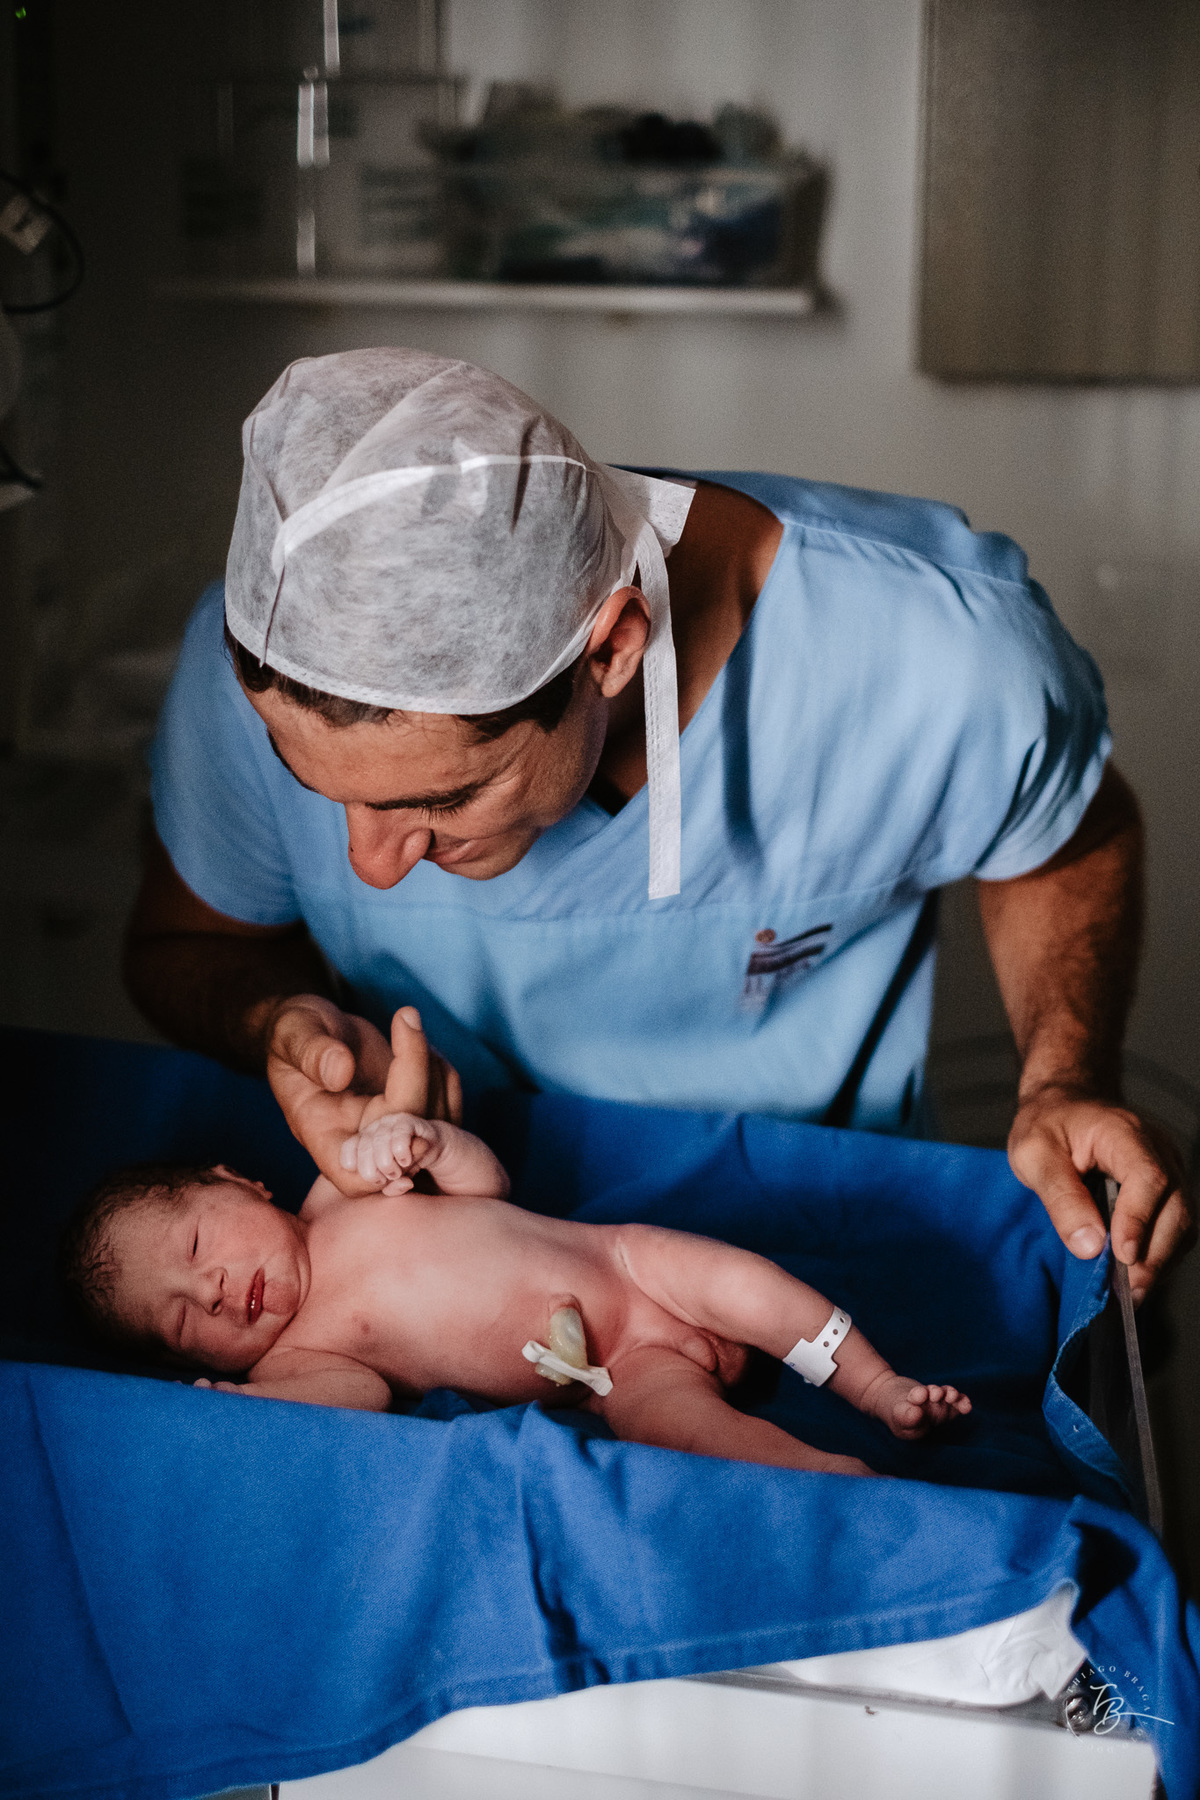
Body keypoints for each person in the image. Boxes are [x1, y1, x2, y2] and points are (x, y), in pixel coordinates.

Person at [126, 350, 1192, 1303]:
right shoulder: (248, 675)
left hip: (830, 1245)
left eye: (442, 802)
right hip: (451, 1263)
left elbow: (1068, 836)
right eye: (320, 792)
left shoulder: (940, 658)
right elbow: (188, 946)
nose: (370, 864)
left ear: (612, 650)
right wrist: (279, 1021)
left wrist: (1063, 1077)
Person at [59, 1040, 971, 1476]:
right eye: (185, 1321)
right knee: (682, 1436)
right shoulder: (300, 1354)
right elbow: (361, 1397)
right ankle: (827, 1477)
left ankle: (871, 1385)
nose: (215, 1291)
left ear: (238, 1182)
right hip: (616, 1372)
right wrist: (255, 1404)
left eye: (195, 1246)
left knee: (746, 1285)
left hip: (625, 1267)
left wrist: (426, 1142)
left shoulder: (342, 1184)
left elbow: (484, 1183)